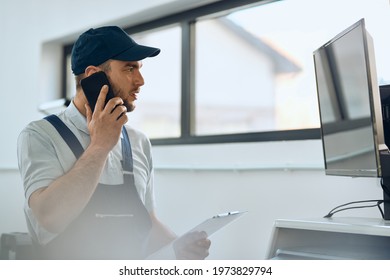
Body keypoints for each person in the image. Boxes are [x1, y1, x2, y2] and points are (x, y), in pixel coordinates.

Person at [17, 26, 211, 260]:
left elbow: (148, 224)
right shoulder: (40, 135)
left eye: (139, 68)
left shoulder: (138, 142)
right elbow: (50, 217)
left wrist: (179, 246)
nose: (140, 81)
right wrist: (100, 146)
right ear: (93, 76)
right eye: (129, 68)